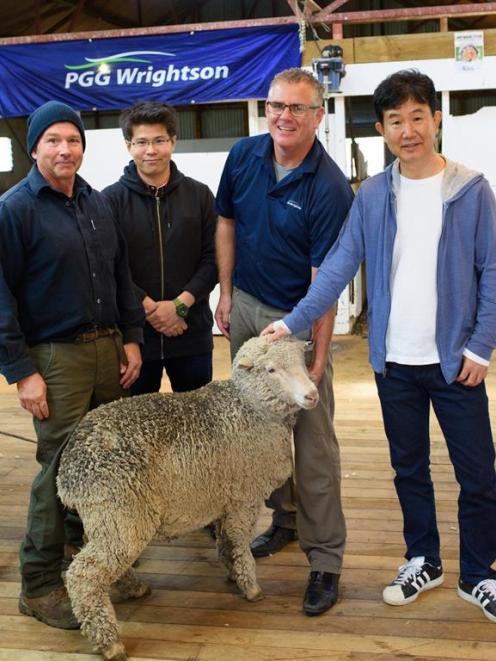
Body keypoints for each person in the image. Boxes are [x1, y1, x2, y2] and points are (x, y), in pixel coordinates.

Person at [263, 69, 496, 623]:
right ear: (383, 129)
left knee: (478, 474)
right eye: (396, 121)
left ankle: (480, 572)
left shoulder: (471, 189)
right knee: (408, 468)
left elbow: (493, 272)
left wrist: (481, 347)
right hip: (394, 363)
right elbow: (340, 264)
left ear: (436, 120)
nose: (408, 130)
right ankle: (424, 559)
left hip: (455, 362)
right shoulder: (372, 194)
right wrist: (292, 322)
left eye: (418, 117)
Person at [215, 68, 354, 616]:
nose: (284, 116)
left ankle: (326, 560)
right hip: (246, 309)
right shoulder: (244, 155)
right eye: (276, 105)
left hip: (296, 323)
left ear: (318, 116)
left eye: (298, 108)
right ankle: (286, 521)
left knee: (313, 442)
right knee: (256, 431)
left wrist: (318, 357)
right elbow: (226, 224)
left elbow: (327, 280)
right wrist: (225, 297)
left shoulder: (329, 185)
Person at [0, 101, 144, 629]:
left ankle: (95, 563)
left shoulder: (94, 202)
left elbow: (119, 273)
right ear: (34, 147)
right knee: (58, 470)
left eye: (73, 140)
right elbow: (1, 297)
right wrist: (21, 371)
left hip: (107, 351)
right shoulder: (14, 210)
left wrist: (130, 339)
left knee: (106, 468)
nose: (65, 149)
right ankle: (38, 585)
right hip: (55, 359)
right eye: (54, 140)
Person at [103, 101, 217, 395]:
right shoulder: (109, 201)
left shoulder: (200, 195)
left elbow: (213, 259)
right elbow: (110, 266)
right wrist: (152, 309)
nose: (150, 150)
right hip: (136, 338)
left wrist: (179, 306)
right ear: (129, 146)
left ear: (173, 141)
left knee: (195, 429)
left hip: (190, 331)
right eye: (141, 142)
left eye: (159, 140)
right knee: (138, 432)